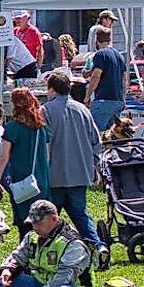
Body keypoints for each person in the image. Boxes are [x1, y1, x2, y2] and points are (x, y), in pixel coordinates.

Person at [41, 70, 104, 250]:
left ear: (52, 89)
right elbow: (96, 141)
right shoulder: (83, 109)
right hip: (80, 173)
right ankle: (98, 247)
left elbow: (45, 145)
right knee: (81, 215)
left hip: (55, 175)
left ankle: (47, 251)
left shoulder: (45, 110)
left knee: (49, 219)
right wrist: (93, 165)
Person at [0, 86, 48, 229]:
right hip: (41, 179)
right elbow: (48, 153)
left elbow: (4, 157)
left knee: (24, 223)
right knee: (41, 223)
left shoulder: (12, 127)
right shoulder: (41, 127)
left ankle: (26, 249)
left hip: (21, 181)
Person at [81, 28, 130, 134]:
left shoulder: (100, 55)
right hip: (118, 101)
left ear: (96, 40)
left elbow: (96, 76)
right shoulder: (119, 56)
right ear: (110, 39)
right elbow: (124, 79)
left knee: (95, 134)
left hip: (104, 101)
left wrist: (87, 96)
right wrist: (123, 98)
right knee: (111, 135)